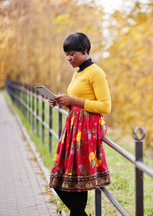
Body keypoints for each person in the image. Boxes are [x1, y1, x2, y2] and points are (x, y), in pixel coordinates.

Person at [48, 32, 111, 216]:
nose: (69, 58)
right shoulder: (78, 73)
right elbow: (78, 103)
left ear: (85, 51)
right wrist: (64, 102)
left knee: (77, 184)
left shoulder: (96, 72)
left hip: (86, 131)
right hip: (74, 128)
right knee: (60, 183)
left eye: (72, 53)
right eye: (66, 54)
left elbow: (105, 106)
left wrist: (73, 100)